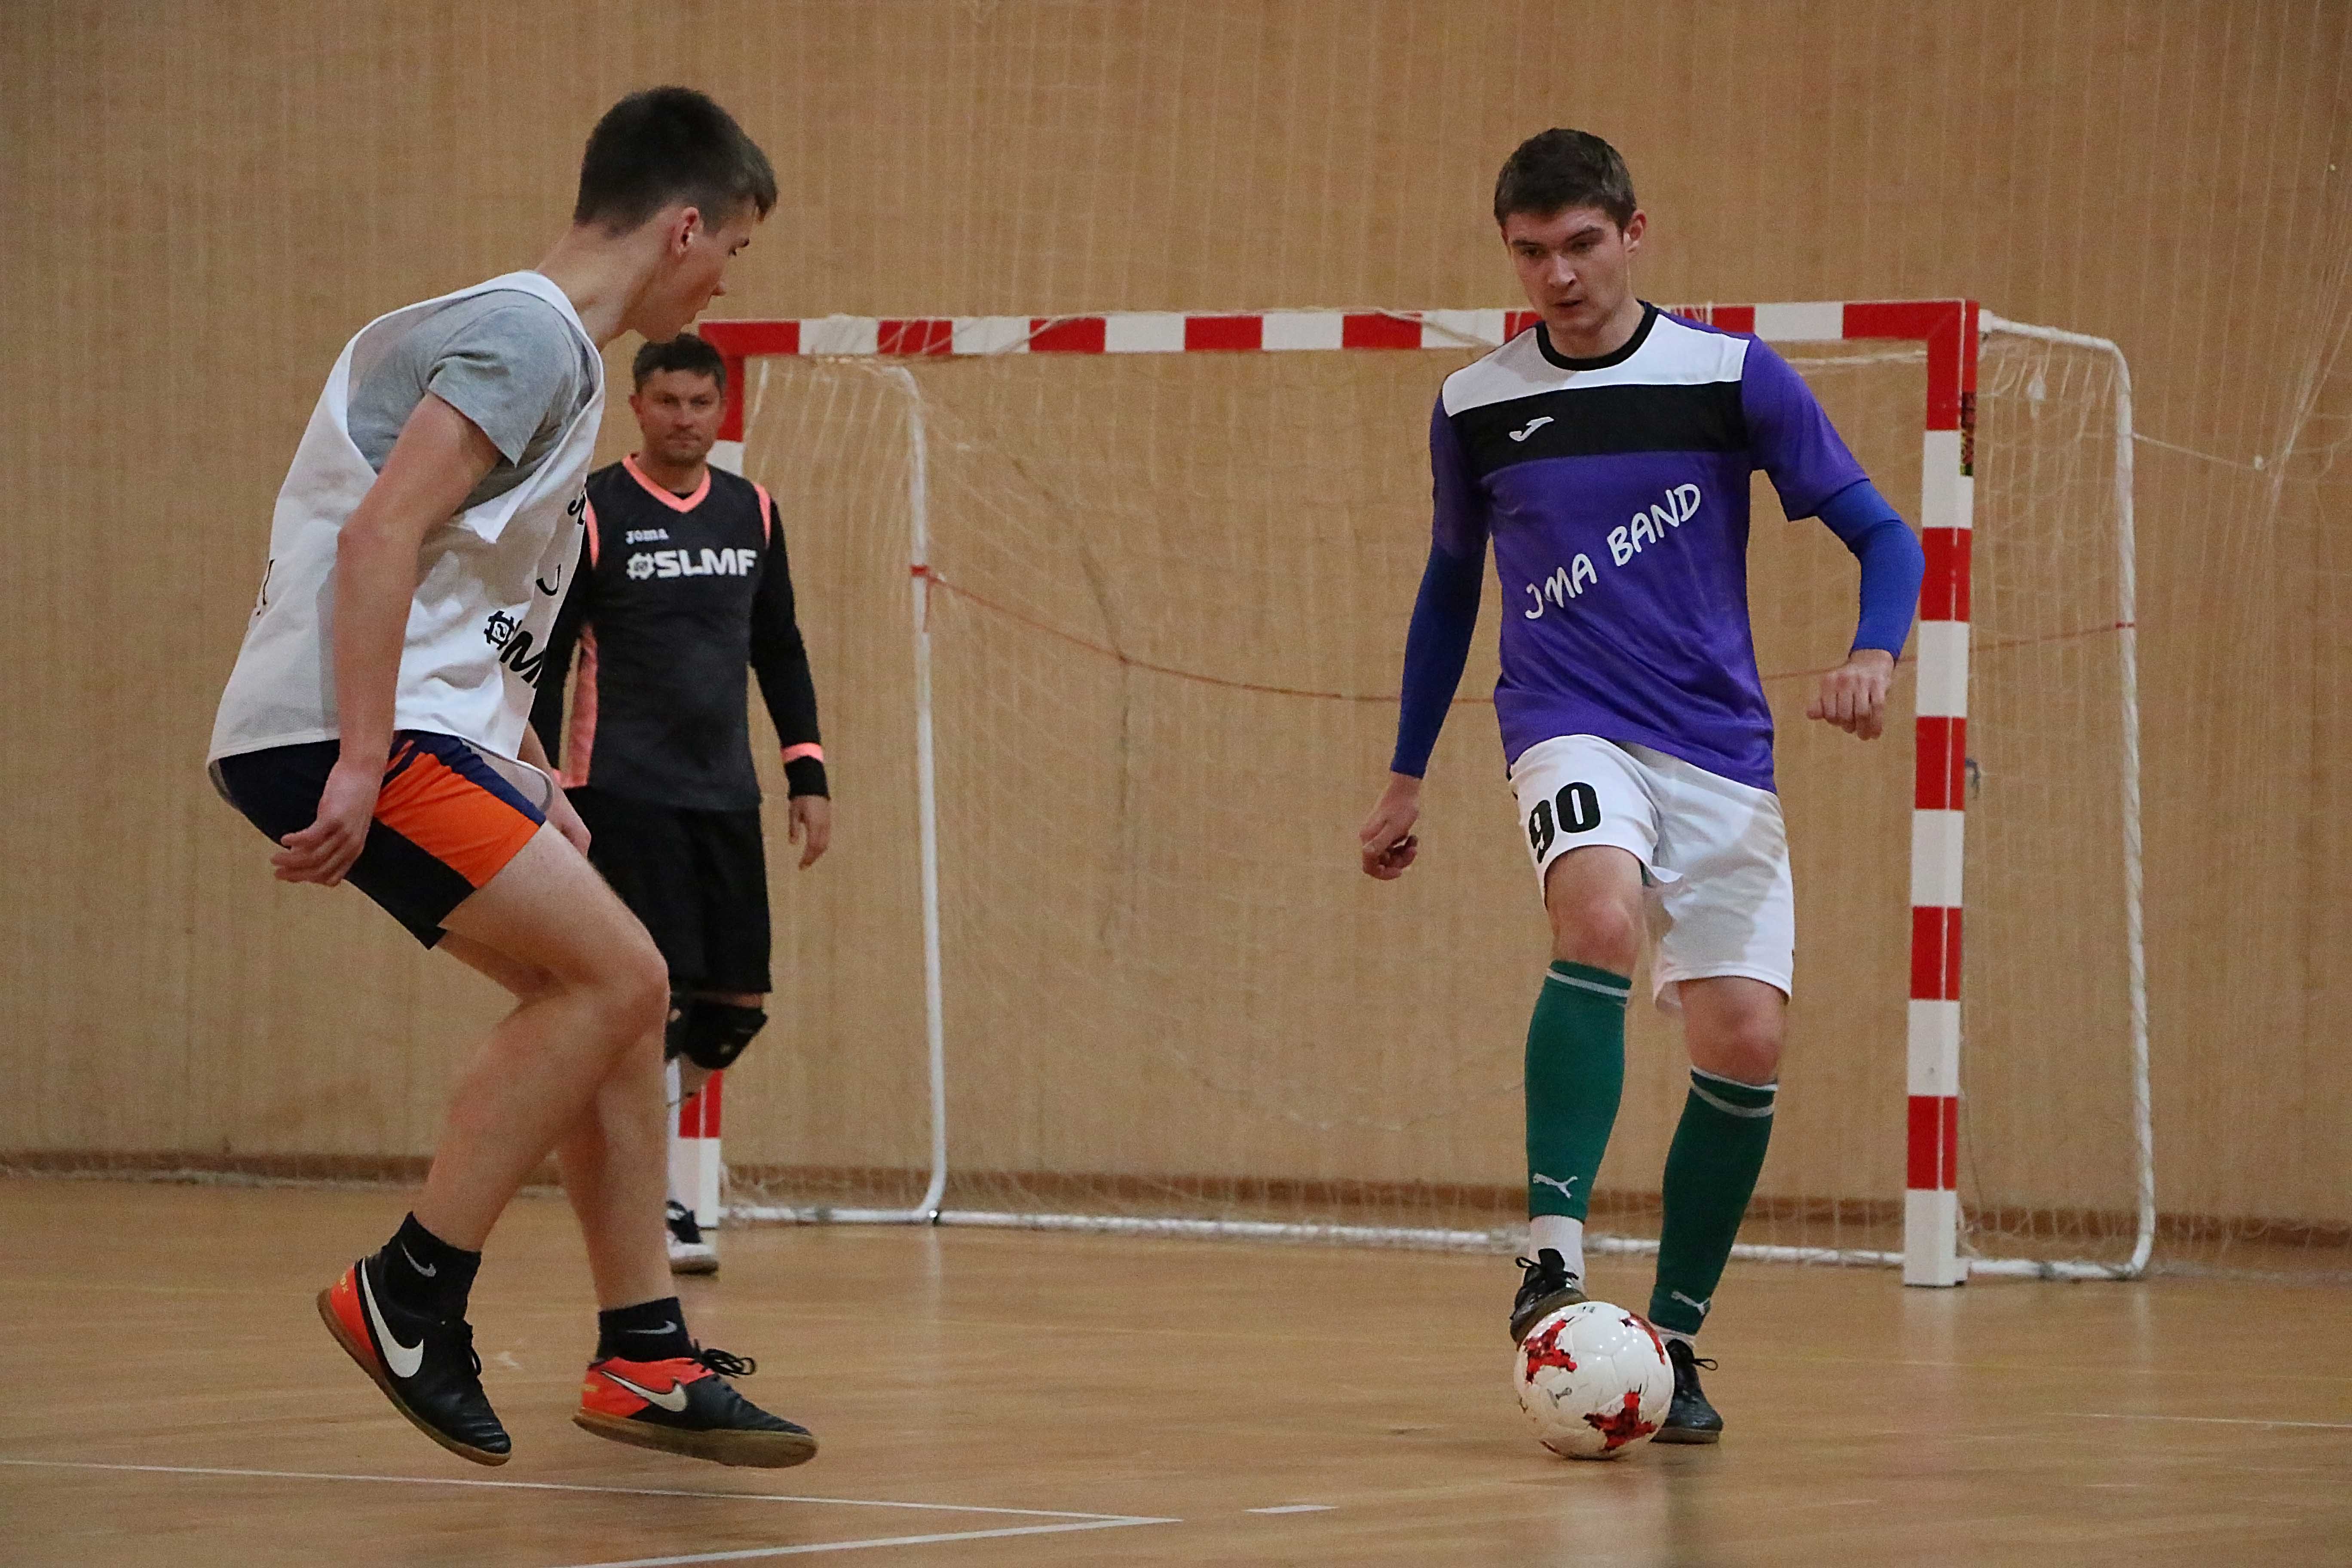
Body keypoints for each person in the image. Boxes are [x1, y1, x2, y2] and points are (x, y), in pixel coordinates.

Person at [207, 88, 815, 1470]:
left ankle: (646, 1356)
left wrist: (524, 761)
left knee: (609, 1005)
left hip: (414, 726)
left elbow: (461, 595)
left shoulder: (547, 351)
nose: (728, 282)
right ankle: (410, 1290)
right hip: (349, 728)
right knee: (623, 980)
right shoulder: (528, 338)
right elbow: (380, 537)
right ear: (683, 228)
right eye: (734, 249)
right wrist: (366, 760)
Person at [1357, 129, 1925, 1444]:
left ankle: (1671, 1347)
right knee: (1599, 913)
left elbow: (1885, 535)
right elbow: (1450, 590)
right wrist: (1404, 777)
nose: (1558, 275)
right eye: (1530, 253)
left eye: (1581, 245)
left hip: (1718, 745)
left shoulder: (1731, 375)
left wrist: (1874, 654)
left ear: (1634, 233)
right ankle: (1552, 1252)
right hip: (1568, 721)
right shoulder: (1475, 403)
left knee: (1747, 1041)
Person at [531, 331, 832, 1278]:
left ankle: (619, 1129)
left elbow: (778, 647)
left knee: (734, 1006)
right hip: (619, 789)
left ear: (721, 409)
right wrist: (535, 781)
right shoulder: (596, 510)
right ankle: (651, 1193)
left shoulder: (754, 512)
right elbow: (547, 657)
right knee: (651, 996)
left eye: (701, 403)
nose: (685, 419)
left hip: (724, 793)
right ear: (638, 406)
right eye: (668, 402)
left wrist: (807, 770)